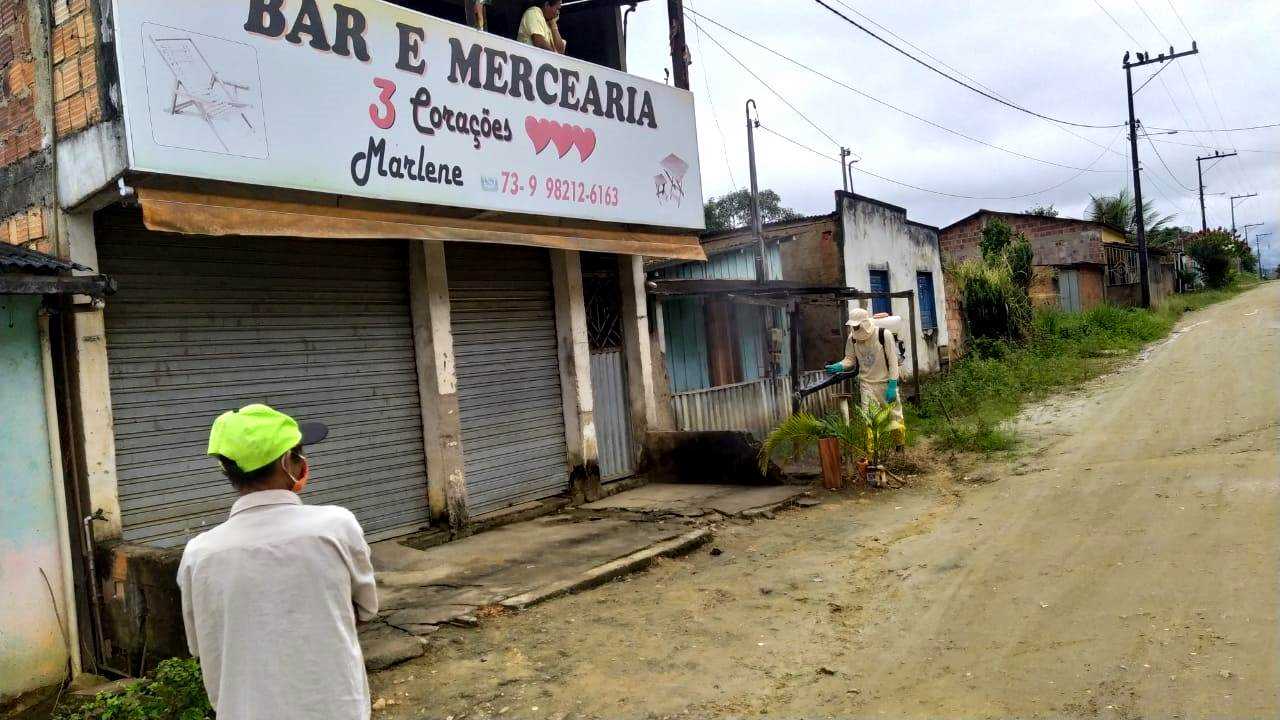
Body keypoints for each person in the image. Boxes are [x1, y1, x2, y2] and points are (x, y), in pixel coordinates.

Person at [177, 404, 378, 720]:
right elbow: (365, 609)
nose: (302, 463)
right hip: (335, 707)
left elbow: (202, 644)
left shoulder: (199, 554)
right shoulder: (336, 527)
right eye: (298, 454)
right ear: (289, 463)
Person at [825, 307, 906, 448]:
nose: (855, 329)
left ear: (865, 323)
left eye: (857, 326)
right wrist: (839, 365)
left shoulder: (883, 334)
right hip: (866, 384)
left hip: (886, 383)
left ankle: (900, 448)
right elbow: (850, 359)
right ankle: (874, 454)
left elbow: (893, 361)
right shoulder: (853, 339)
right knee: (870, 420)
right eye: (853, 326)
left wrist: (893, 385)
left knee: (895, 416)